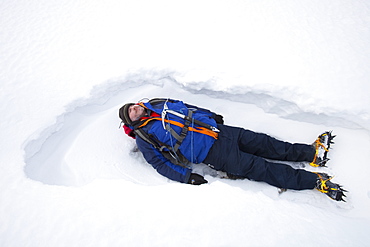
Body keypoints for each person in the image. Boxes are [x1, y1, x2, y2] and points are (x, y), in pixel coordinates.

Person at [119, 98, 346, 201]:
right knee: (262, 169)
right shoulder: (143, 137)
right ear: (131, 122)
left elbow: (189, 107)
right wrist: (186, 177)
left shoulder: (158, 103)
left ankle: (312, 153)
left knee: (266, 143)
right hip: (213, 154)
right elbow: (160, 164)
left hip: (221, 131)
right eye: (130, 113)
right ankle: (315, 182)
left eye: (133, 106)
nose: (134, 110)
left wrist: (210, 115)